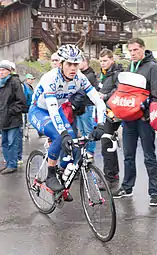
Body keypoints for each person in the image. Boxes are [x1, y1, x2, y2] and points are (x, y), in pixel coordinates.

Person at [28, 44, 106, 201]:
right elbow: (51, 108)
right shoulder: (50, 78)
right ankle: (50, 174)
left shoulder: (80, 78)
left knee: (75, 146)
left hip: (57, 110)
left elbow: (99, 102)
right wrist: (63, 133)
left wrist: (101, 124)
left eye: (76, 64)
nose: (73, 68)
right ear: (61, 63)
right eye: (69, 64)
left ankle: (61, 179)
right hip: (40, 111)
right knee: (59, 136)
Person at [113, 38, 157, 206]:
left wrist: (148, 115)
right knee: (128, 156)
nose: (133, 53)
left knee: (149, 156)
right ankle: (127, 187)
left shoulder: (152, 68)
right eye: (130, 51)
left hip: (144, 120)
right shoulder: (130, 67)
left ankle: (155, 192)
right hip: (129, 119)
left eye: (135, 50)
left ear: (143, 49)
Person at [97, 49, 122, 188]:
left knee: (106, 141)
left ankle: (109, 176)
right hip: (105, 111)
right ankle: (113, 173)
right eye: (100, 61)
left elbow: (119, 90)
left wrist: (105, 96)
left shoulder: (116, 73)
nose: (103, 63)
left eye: (105, 60)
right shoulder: (104, 74)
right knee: (109, 141)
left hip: (114, 112)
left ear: (112, 60)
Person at [0, 60, 26, 174]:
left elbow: (21, 101)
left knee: (12, 142)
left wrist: (11, 111)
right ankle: (8, 163)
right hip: (2, 118)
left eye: (3, 70)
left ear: (9, 71)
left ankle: (12, 164)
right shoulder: (1, 83)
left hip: (12, 118)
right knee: (4, 142)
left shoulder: (14, 82)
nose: (1, 72)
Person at [77, 56, 98, 160]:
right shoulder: (81, 74)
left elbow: (81, 90)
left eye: (80, 62)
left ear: (85, 62)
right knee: (82, 130)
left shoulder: (90, 75)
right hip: (79, 106)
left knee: (88, 130)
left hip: (87, 105)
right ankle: (85, 150)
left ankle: (90, 151)